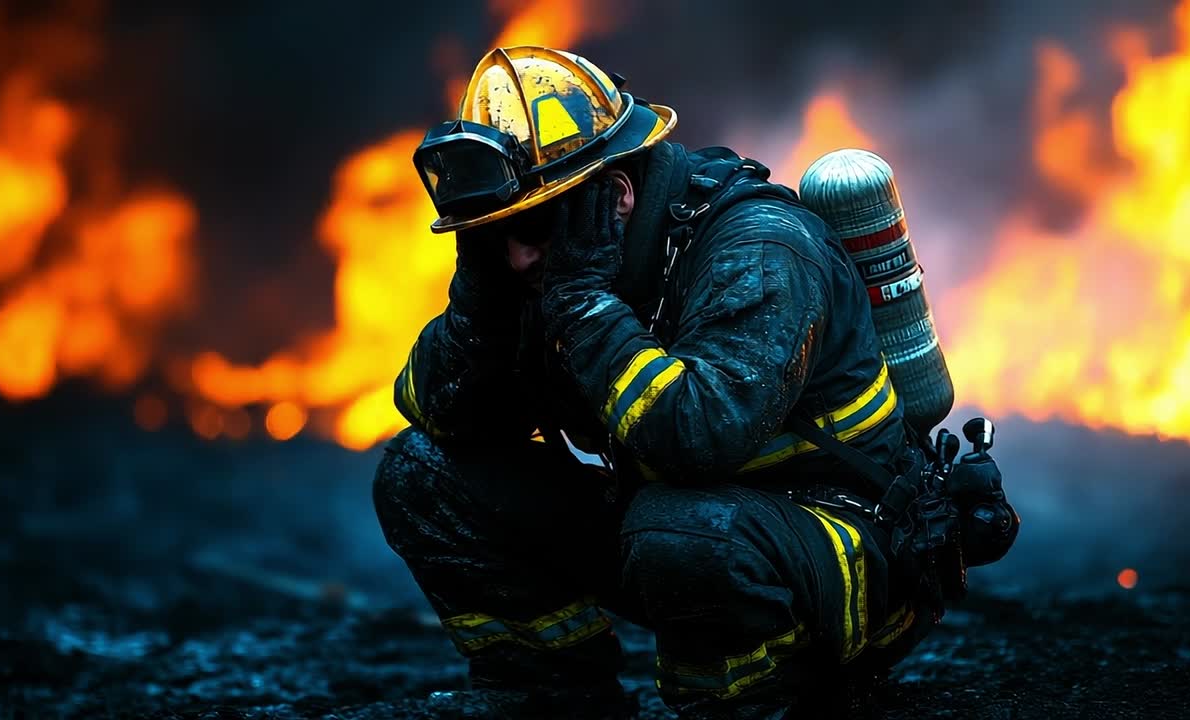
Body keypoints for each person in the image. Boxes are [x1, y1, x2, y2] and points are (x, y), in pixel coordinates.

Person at [373, 45, 1017, 720]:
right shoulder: (556, 267)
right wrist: (482, 302)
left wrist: (584, 309)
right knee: (419, 476)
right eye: (494, 235)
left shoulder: (760, 251)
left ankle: (758, 698)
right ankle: (548, 693)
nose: (517, 254)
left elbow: (701, 437)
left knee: (680, 528)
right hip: (694, 535)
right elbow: (434, 412)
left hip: (851, 555)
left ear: (617, 196)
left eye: (532, 226)